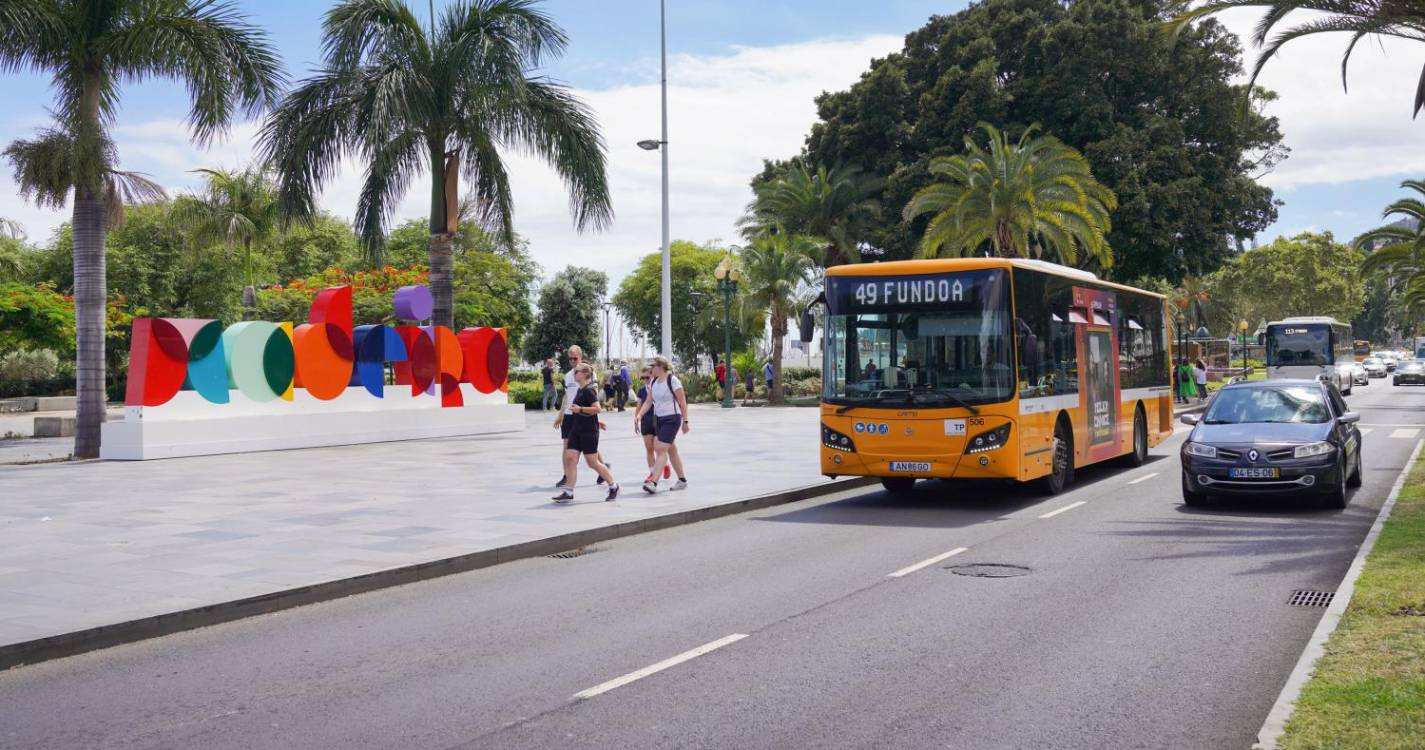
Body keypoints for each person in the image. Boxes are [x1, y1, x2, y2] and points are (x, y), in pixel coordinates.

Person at [551, 363, 619, 503]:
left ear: (585, 374)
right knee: (570, 459)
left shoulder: (589, 390)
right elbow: (590, 412)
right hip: (576, 430)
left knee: (593, 463)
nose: (574, 373)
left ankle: (613, 485)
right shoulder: (579, 390)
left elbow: (597, 408)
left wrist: (581, 409)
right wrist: (594, 420)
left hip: (588, 432)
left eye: (577, 371)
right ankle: (568, 491)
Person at [553, 345, 610, 488]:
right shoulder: (568, 376)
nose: (572, 360)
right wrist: (560, 414)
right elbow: (567, 396)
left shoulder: (588, 373)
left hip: (583, 414)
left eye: (575, 358)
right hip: (569, 415)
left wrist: (591, 413)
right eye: (570, 358)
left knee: (590, 449)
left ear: (580, 356)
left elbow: (594, 397)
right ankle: (567, 476)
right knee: (567, 447)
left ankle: (602, 470)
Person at [634, 355, 690, 493]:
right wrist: (639, 415)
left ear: (661, 367)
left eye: (653, 366)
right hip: (658, 419)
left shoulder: (673, 380)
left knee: (659, 448)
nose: (651, 369)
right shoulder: (654, 382)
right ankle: (682, 480)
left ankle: (653, 482)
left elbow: (682, 402)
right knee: (671, 449)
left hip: (672, 418)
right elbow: (648, 401)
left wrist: (685, 421)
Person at [634, 364, 672, 482]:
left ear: (652, 375)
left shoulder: (658, 388)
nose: (645, 380)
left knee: (658, 448)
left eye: (647, 377)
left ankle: (664, 465)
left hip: (658, 419)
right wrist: (636, 420)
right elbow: (639, 406)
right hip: (646, 420)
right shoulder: (641, 391)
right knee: (649, 448)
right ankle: (652, 473)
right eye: (643, 378)